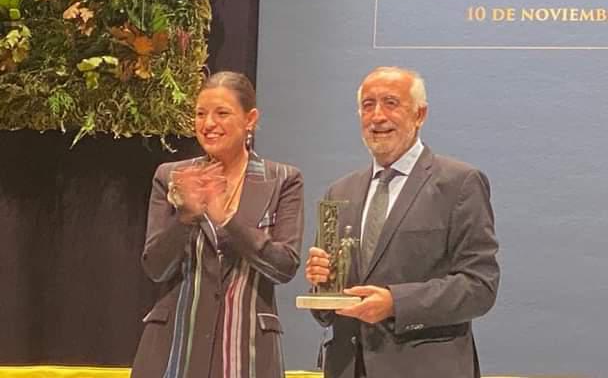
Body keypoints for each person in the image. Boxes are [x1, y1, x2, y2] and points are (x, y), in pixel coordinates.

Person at [305, 66, 499, 378]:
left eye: (391, 103)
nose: (377, 116)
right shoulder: (340, 192)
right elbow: (325, 312)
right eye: (368, 105)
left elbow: (480, 287)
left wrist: (396, 302)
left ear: (420, 114)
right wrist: (321, 282)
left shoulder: (459, 183)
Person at [132, 71, 303, 378]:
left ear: (250, 119)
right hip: (175, 347)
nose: (208, 124)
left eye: (222, 113)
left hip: (246, 349)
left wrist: (227, 219)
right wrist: (185, 216)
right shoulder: (171, 177)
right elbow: (156, 268)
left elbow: (283, 267)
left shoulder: (283, 180)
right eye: (201, 114)